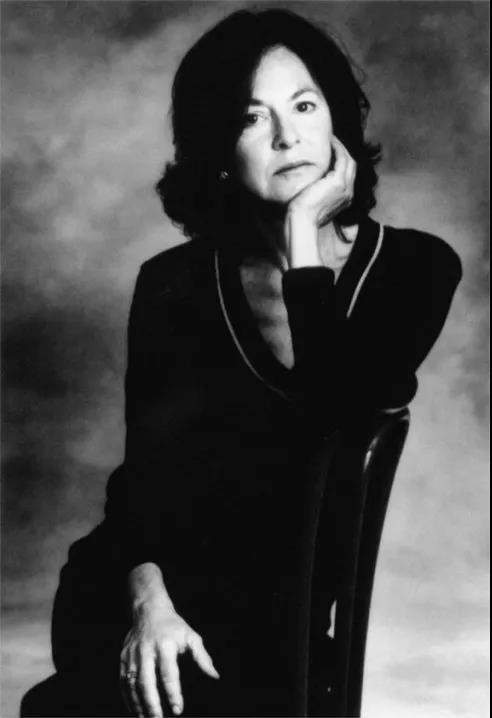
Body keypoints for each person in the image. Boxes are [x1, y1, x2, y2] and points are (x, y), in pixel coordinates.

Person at [21, 8, 462, 718]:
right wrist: (150, 605)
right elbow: (141, 482)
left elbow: (335, 411)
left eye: (305, 106)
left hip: (271, 622)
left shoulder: (417, 268)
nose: (288, 136)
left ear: (336, 121)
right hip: (139, 588)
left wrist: (301, 234)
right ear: (220, 150)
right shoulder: (172, 283)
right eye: (253, 118)